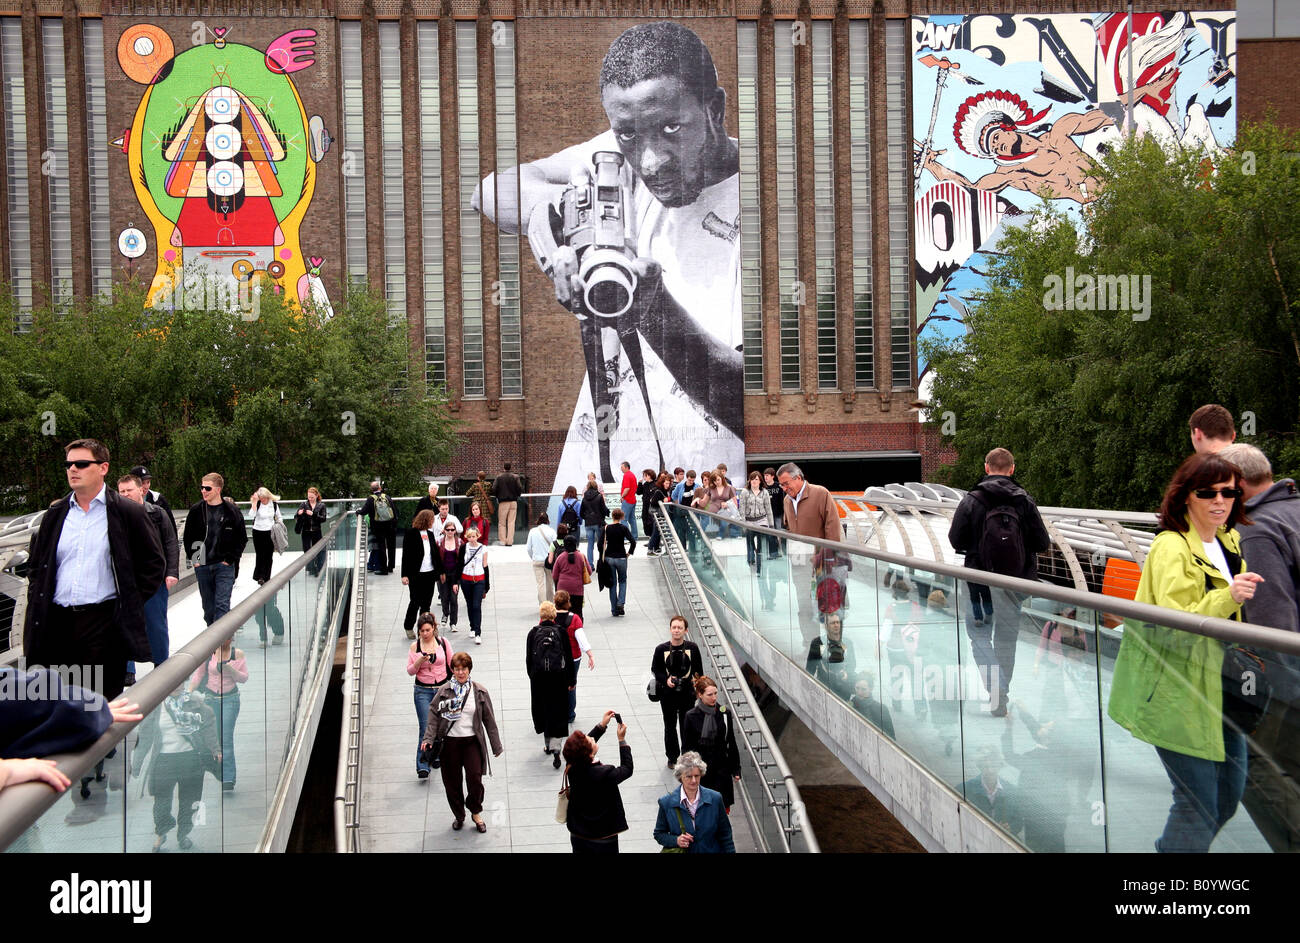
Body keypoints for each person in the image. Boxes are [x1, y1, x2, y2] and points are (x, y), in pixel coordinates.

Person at [1108, 452, 1263, 853]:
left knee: (1226, 800)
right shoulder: (1170, 548)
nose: (1219, 500)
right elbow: (1175, 627)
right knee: (1197, 805)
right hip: (1180, 691)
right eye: (1207, 492)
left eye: (1228, 492)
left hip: (1221, 687)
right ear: (1185, 497)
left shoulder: (1229, 541)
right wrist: (1227, 597)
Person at [24, 439, 165, 702]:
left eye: (81, 464)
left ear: (103, 468)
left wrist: (125, 603)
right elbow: (38, 568)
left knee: (99, 709)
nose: (72, 470)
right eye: (68, 464)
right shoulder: (55, 515)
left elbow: (153, 564)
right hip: (58, 625)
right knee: (62, 707)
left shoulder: (127, 512)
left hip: (104, 625)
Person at [1219, 443, 1300, 851]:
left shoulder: (1258, 530)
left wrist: (1279, 701)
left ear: (1238, 485)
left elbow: (1273, 623)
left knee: (1246, 762)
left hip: (1289, 683)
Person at [946, 448, 1051, 717]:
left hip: (978, 582)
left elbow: (955, 540)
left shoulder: (972, 499)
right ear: (1012, 469)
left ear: (986, 467)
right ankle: (1001, 697)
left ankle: (995, 689)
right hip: (1014, 584)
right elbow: (1041, 542)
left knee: (979, 634)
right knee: (1007, 638)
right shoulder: (1024, 500)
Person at [131, 686, 220, 852]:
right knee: (161, 804)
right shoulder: (155, 707)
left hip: (191, 759)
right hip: (163, 761)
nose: (177, 687)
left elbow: (208, 728)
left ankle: (183, 834)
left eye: (180, 683)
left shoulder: (196, 704)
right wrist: (136, 764)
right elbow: (145, 736)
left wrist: (215, 749)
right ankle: (161, 833)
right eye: (174, 683)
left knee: (189, 802)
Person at [422, 652, 503, 833]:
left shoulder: (479, 691)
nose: (460, 673)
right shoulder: (444, 691)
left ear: (469, 669)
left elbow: (489, 720)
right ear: (453, 670)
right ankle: (459, 815)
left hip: (471, 742)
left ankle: (475, 810)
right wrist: (428, 738)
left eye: (463, 669)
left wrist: (495, 745)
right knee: (452, 783)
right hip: (449, 744)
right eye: (457, 669)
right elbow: (433, 715)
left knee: (475, 779)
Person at [777, 462, 845, 647]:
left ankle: (835, 646)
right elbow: (790, 529)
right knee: (804, 605)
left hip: (825, 561)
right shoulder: (786, 501)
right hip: (800, 564)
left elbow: (832, 527)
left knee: (830, 604)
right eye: (781, 485)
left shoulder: (820, 493)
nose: (784, 489)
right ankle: (811, 644)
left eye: (786, 483)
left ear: (798, 478)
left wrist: (829, 556)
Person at [117, 473, 179, 673]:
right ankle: (127, 670)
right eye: (122, 491)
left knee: (155, 623)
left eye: (129, 490)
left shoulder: (157, 514)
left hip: (154, 579)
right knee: (124, 624)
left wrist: (171, 572)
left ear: (141, 490)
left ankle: (161, 663)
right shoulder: (114, 516)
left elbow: (170, 542)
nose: (125, 494)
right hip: (125, 579)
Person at [182, 472, 248, 628]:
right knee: (209, 609)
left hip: (224, 565)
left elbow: (241, 538)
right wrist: (196, 560)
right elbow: (188, 536)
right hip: (203, 565)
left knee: (222, 606)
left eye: (207, 488)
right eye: (202, 488)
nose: (203, 491)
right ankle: (215, 645)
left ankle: (220, 648)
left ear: (218, 490)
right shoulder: (196, 510)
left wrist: (230, 559)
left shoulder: (231, 511)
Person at [562, 711, 632, 853]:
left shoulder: (572, 765)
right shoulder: (604, 773)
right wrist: (622, 740)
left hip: (578, 833)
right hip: (603, 836)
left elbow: (580, 747)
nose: (592, 739)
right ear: (588, 753)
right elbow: (627, 768)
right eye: (591, 741)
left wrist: (602, 725)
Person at [188, 635, 247, 791]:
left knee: (226, 738)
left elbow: (244, 678)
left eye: (230, 638)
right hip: (210, 699)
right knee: (212, 737)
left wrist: (230, 669)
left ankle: (228, 777)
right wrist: (188, 692)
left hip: (230, 699)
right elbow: (199, 675)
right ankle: (217, 770)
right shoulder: (209, 654)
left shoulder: (237, 654)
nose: (228, 641)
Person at [654, 751, 735, 853]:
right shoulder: (666, 802)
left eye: (696, 776)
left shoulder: (715, 799)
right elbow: (659, 834)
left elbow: (725, 835)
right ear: (680, 777)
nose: (693, 780)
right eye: (688, 776)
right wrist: (676, 840)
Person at [527, 601, 576, 767]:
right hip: (558, 678)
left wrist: (533, 678)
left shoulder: (533, 633)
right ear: (554, 614)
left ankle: (547, 744)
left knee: (544, 710)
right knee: (558, 711)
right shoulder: (561, 632)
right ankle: (556, 748)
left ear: (541, 615)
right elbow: (568, 658)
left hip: (539, 680)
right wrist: (571, 680)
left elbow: (528, 660)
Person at [681, 676, 741, 810]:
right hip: (702, 771)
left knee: (721, 812)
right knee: (703, 812)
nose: (714, 698)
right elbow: (686, 747)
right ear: (700, 695)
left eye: (715, 693)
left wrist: (736, 768)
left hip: (721, 769)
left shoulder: (724, 713)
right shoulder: (691, 716)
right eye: (709, 694)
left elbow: (731, 741)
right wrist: (688, 773)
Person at [651, 615, 703, 767]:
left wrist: (696, 689)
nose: (676, 630)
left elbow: (698, 671)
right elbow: (655, 669)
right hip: (668, 695)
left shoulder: (692, 648)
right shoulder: (661, 649)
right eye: (674, 627)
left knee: (686, 725)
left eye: (680, 628)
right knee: (669, 725)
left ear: (685, 630)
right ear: (670, 629)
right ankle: (672, 757)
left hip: (687, 693)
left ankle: (687, 756)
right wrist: (666, 680)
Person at [407, 613, 454, 780]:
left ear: (433, 628)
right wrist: (420, 661)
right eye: (422, 631)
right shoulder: (415, 647)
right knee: (426, 727)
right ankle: (422, 764)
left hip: (441, 689)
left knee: (441, 726)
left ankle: (436, 756)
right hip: (423, 690)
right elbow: (410, 671)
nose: (425, 633)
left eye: (427, 630)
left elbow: (451, 664)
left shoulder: (443, 643)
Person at [555, 590, 595, 724]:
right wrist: (590, 655)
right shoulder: (574, 619)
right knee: (571, 684)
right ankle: (570, 714)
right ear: (568, 602)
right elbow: (582, 639)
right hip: (573, 658)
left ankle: (557, 711)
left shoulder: (549, 617)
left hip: (554, 658)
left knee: (556, 684)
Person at [400, 509, 440, 639]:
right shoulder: (411, 533)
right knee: (415, 601)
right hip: (416, 575)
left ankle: (424, 629)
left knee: (426, 603)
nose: (433, 522)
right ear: (426, 519)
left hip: (429, 573)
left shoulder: (430, 534)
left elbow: (435, 555)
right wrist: (404, 574)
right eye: (432, 519)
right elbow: (405, 555)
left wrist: (441, 572)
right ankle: (408, 626)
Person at [806, 610, 856, 702]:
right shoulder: (818, 643)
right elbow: (810, 668)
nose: (836, 625)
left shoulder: (848, 642)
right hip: (825, 686)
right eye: (833, 623)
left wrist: (847, 673)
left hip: (843, 688)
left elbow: (852, 663)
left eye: (838, 622)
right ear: (826, 626)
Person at [599, 508, 635, 617]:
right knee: (623, 581)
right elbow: (633, 541)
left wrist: (602, 554)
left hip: (609, 557)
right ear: (622, 517)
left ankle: (614, 610)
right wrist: (629, 553)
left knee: (612, 583)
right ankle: (621, 603)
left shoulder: (606, 528)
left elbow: (600, 543)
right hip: (621, 557)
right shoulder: (624, 528)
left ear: (612, 516)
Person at [358, 480, 397, 575]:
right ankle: (391, 567)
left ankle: (383, 569)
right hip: (390, 525)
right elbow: (394, 511)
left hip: (378, 527)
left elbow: (363, 511)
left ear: (371, 490)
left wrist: (357, 512)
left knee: (382, 547)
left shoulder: (370, 499)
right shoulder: (387, 497)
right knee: (391, 546)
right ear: (380, 488)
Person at [458, 526, 489, 644]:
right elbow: (460, 564)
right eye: (469, 536)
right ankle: (472, 626)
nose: (472, 539)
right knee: (470, 604)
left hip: (479, 579)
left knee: (477, 606)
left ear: (478, 536)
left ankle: (478, 632)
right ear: (466, 537)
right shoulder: (463, 548)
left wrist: (487, 585)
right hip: (466, 579)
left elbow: (485, 566)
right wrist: (457, 581)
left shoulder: (483, 548)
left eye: (474, 536)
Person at [432, 516, 463, 632]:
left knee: (454, 599)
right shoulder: (439, 542)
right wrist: (439, 572)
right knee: (444, 596)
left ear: (455, 531)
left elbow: (461, 561)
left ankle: (453, 622)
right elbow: (436, 559)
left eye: (452, 530)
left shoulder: (460, 542)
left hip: (454, 574)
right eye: (448, 529)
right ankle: (445, 614)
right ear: (444, 530)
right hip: (443, 573)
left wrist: (458, 578)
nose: (450, 532)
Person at [739, 470, 774, 569]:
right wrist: (743, 523)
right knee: (750, 542)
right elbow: (741, 508)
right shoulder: (745, 492)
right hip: (749, 521)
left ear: (760, 481)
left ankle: (760, 560)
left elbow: (768, 508)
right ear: (749, 481)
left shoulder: (765, 492)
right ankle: (751, 560)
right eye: (752, 479)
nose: (754, 481)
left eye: (756, 479)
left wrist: (771, 524)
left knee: (761, 542)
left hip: (761, 521)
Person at [552, 534, 592, 618]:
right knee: (577, 613)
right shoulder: (581, 556)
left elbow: (554, 575)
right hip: (577, 589)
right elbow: (589, 571)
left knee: (562, 613)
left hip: (562, 589)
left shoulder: (560, 557)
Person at [249, 487, 281, 584]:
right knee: (260, 555)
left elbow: (279, 517)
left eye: (264, 497)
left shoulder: (274, 504)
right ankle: (260, 576)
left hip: (270, 532)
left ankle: (267, 576)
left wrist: (278, 525)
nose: (263, 500)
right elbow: (251, 515)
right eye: (261, 498)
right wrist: (254, 503)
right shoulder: (257, 504)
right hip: (258, 532)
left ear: (268, 496)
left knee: (268, 555)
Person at [294, 486, 328, 576]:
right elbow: (296, 517)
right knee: (307, 551)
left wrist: (314, 514)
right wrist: (299, 514)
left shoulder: (321, 505)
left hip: (317, 531)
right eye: (309, 497)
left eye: (312, 497)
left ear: (316, 495)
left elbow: (323, 519)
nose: (310, 499)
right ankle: (311, 569)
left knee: (318, 550)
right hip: (306, 531)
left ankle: (319, 568)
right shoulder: (303, 504)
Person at [527, 512, 557, 604]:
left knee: (540, 584)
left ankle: (543, 604)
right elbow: (555, 546)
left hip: (537, 560)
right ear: (548, 520)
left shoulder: (532, 531)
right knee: (550, 583)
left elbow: (529, 548)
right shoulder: (552, 531)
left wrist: (533, 557)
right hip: (549, 560)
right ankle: (551, 602)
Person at [491, 463, 523, 546]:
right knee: (511, 522)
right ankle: (509, 541)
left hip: (503, 502)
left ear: (503, 467)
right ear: (510, 467)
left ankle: (503, 541)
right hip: (513, 502)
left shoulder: (499, 477)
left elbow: (494, 489)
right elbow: (520, 488)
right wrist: (517, 495)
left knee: (502, 523)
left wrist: (498, 495)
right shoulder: (515, 477)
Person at [580, 479, 609, 567]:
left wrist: (587, 518)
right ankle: (601, 563)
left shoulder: (584, 498)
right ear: (596, 486)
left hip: (588, 523)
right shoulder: (599, 496)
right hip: (598, 522)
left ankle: (590, 565)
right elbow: (603, 510)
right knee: (600, 544)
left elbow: (581, 512)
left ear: (588, 487)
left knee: (590, 544)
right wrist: (605, 514)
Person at [763, 468, 784, 559]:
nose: (765, 477)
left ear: (772, 476)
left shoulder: (778, 486)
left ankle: (781, 551)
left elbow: (783, 500)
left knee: (779, 533)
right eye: (764, 475)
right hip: (767, 515)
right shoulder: (763, 487)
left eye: (767, 475)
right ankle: (773, 552)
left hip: (778, 514)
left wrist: (784, 514)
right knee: (770, 534)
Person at [620, 462, 639, 541]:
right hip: (632, 500)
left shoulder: (627, 475)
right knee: (632, 519)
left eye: (622, 467)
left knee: (623, 519)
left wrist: (622, 496)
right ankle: (634, 537)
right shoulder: (632, 475)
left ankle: (626, 538)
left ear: (626, 467)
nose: (621, 469)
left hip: (627, 500)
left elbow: (627, 488)